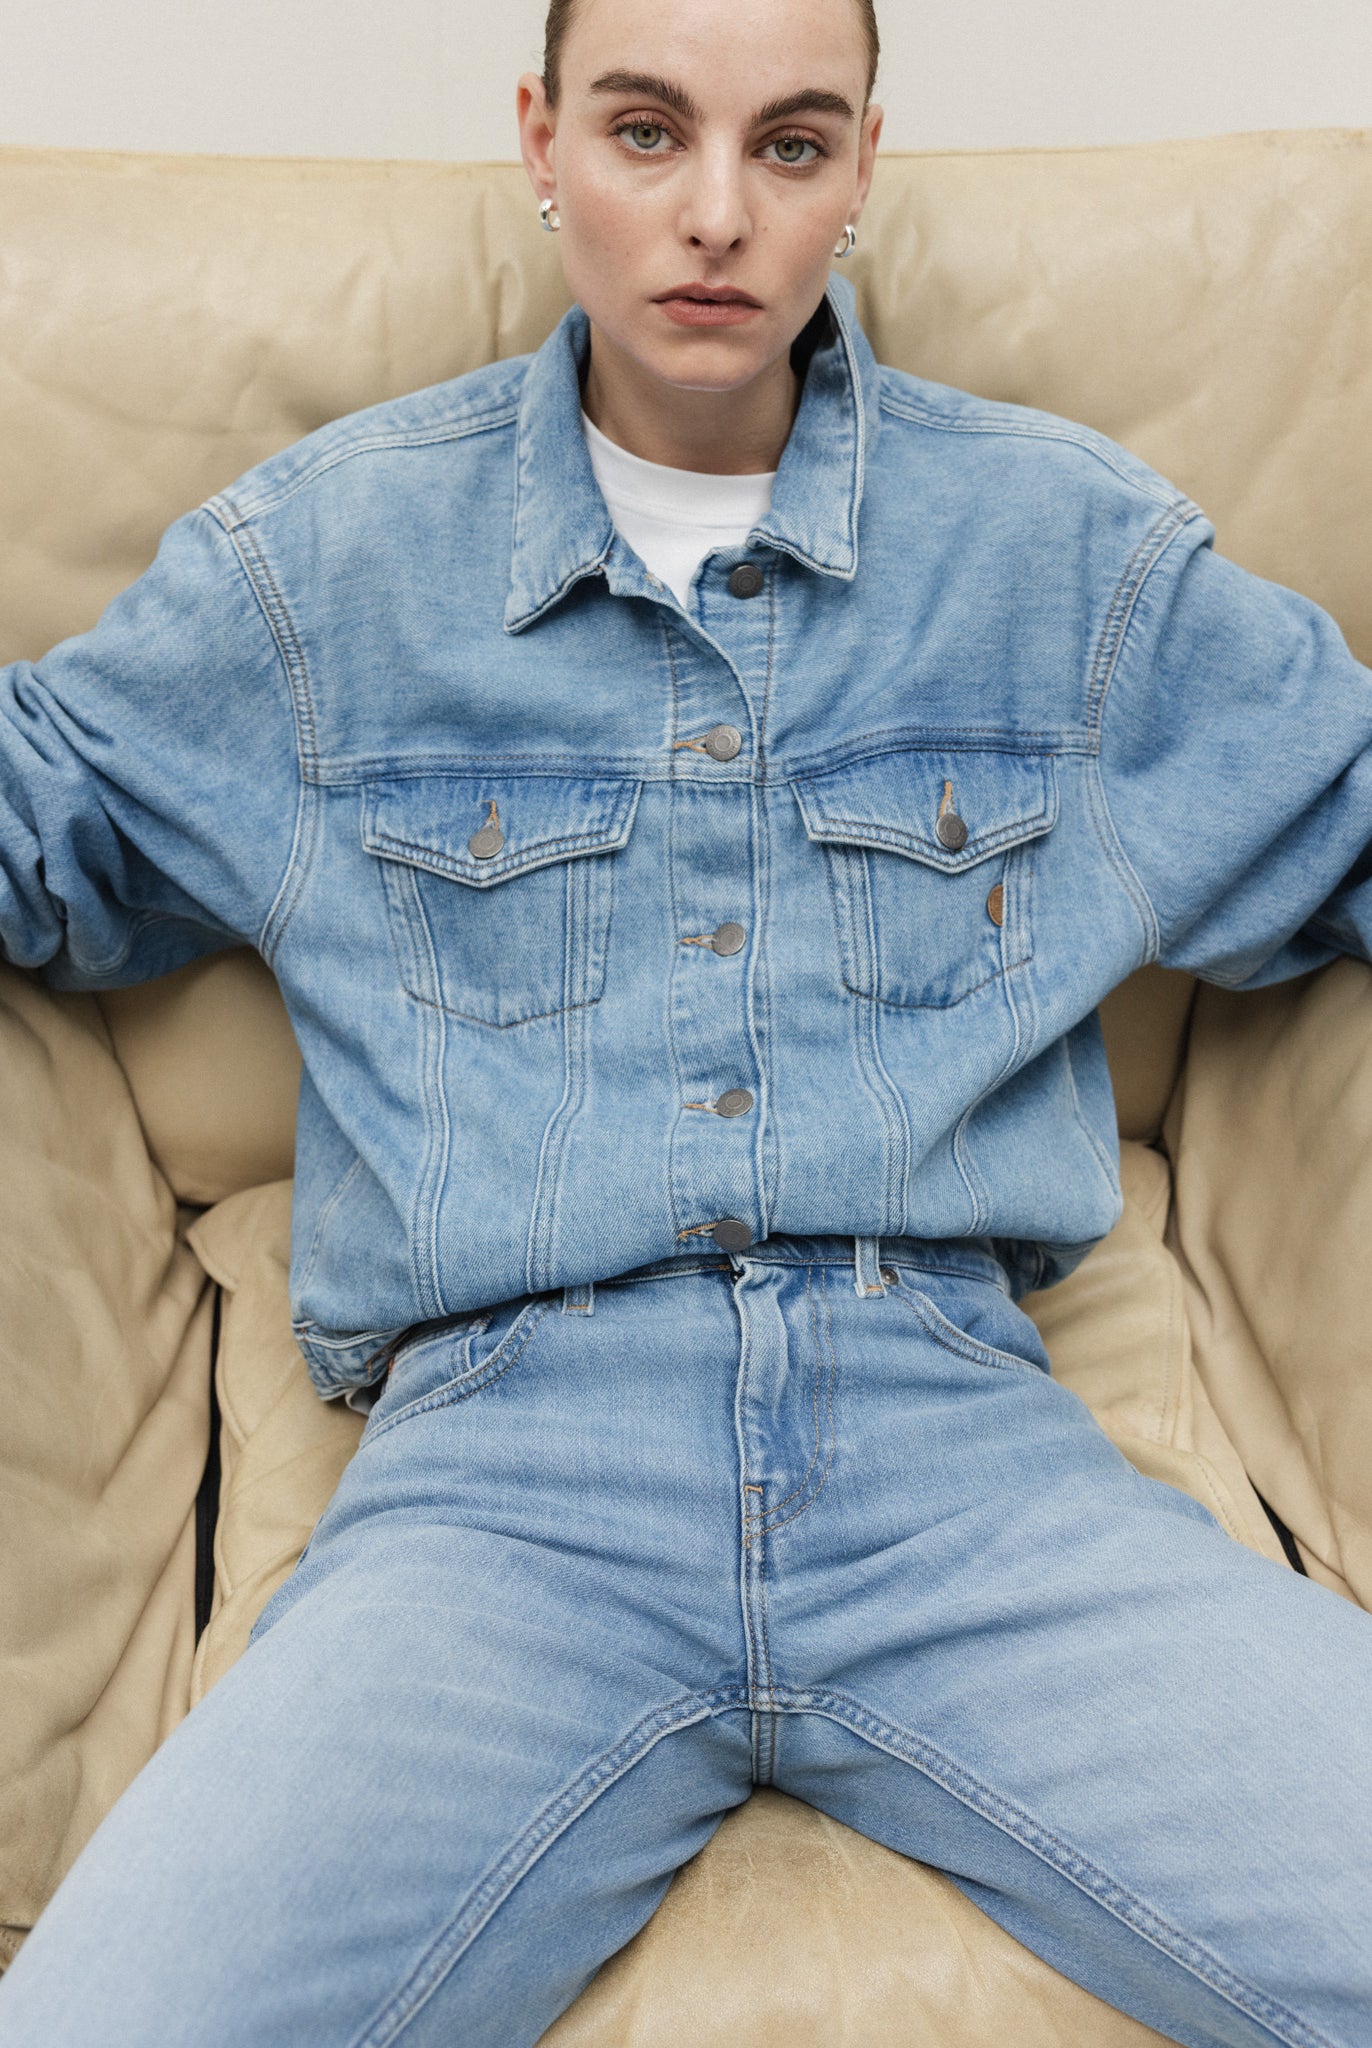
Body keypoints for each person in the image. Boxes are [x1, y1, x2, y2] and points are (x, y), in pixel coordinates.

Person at [0, 0, 1370, 2041]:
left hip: (956, 1453)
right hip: (502, 1485)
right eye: (647, 131)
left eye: (788, 145)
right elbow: (44, 824)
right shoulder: (323, 569)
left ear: (861, 167)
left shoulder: (1061, 556)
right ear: (541, 139)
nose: (716, 214)